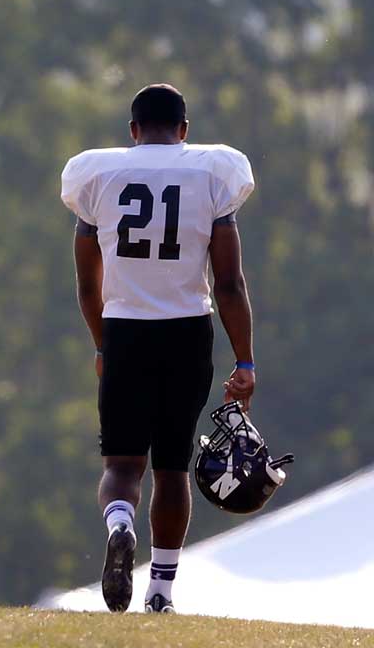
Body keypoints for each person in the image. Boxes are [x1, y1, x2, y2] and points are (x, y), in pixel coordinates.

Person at [61, 83, 257, 614]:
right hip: (187, 331)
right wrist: (245, 360)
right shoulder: (212, 172)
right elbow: (230, 282)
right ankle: (160, 592)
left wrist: (104, 346)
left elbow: (86, 287)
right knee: (173, 467)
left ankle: (119, 523)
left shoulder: (98, 176)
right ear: (184, 130)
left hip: (124, 328)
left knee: (122, 465)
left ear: (132, 131)